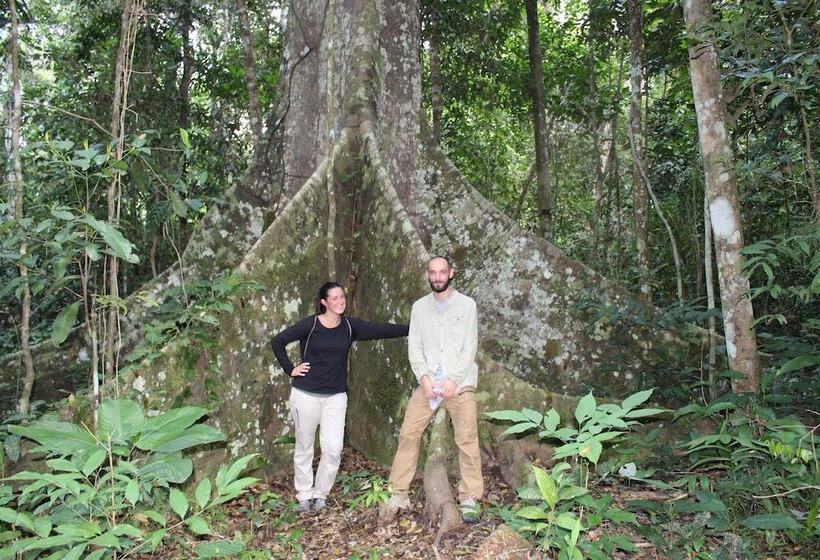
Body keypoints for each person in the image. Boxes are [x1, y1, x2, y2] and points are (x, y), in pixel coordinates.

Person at [271, 282, 408, 513]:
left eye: (341, 297)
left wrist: (412, 328)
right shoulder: (311, 324)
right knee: (304, 446)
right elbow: (278, 341)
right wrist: (289, 368)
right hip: (306, 395)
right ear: (324, 302)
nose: (340, 301)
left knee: (333, 448)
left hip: (335, 397)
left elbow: (381, 329)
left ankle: (321, 495)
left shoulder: (349, 327)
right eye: (334, 298)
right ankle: (304, 495)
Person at [381, 256, 484, 522]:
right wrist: (424, 378)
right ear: (428, 275)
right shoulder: (419, 307)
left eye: (442, 272)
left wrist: (453, 379)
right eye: (433, 273)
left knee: (467, 437)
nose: (437, 277)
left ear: (451, 273)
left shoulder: (467, 305)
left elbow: (470, 346)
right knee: (409, 432)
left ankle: (470, 496)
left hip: (459, 384)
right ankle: (399, 491)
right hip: (429, 384)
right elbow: (414, 346)